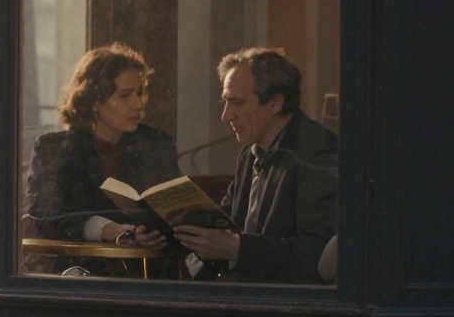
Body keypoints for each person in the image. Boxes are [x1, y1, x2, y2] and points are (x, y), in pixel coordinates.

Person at [174, 47, 337, 283]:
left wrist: (238, 249)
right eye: (226, 102)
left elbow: (319, 257)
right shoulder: (251, 150)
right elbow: (227, 222)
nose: (226, 115)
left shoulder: (317, 156)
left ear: (274, 103)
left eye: (237, 103)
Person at [24, 43, 181, 275]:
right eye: (125, 95)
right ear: (94, 100)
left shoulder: (156, 143)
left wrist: (156, 233)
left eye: (139, 93)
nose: (138, 104)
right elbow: (45, 215)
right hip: (79, 275)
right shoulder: (54, 148)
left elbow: (175, 213)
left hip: (148, 276)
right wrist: (109, 229)